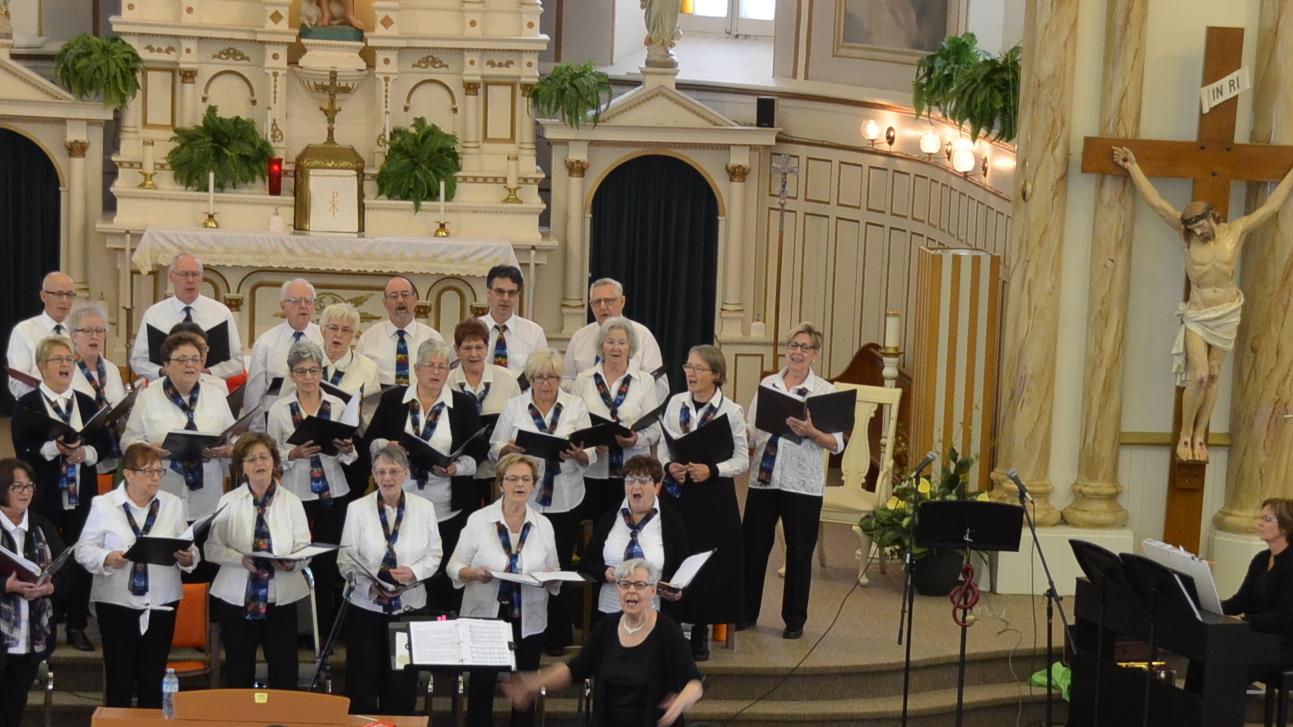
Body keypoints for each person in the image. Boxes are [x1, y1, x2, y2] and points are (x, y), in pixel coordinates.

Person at [1113, 147, 1293, 463]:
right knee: (1197, 375)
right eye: (1193, 229)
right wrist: (1133, 165)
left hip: (1226, 312)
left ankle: (1200, 436)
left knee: (1212, 374)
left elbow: (1270, 208)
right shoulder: (1186, 236)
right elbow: (1156, 202)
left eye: (1201, 227)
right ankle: (1185, 433)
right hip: (1198, 314)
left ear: (1212, 217)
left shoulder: (1235, 232)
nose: (1197, 233)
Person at [503, 559, 705, 727]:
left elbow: (695, 682)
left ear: (653, 591)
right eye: (624, 584)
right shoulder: (607, 627)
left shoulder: (668, 631)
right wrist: (534, 682)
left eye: (639, 585)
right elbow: (575, 669)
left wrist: (680, 702)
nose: (631, 591)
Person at [75, 443, 199, 708]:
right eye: (148, 472)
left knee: (153, 681)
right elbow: (83, 550)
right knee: (119, 681)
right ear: (128, 474)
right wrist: (107, 558)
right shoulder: (104, 504)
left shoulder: (173, 504)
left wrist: (190, 558)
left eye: (159, 471)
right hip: (116, 601)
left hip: (161, 601)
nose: (155, 478)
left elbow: (188, 546)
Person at [741, 323, 844, 640]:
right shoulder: (769, 384)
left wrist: (811, 433)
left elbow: (836, 443)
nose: (797, 352)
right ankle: (745, 612)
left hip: (803, 484)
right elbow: (751, 430)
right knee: (753, 548)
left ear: (815, 354)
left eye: (805, 347)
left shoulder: (825, 391)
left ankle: (794, 619)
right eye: (793, 346)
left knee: (799, 552)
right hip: (764, 478)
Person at [363, 339, 480, 612]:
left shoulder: (462, 404)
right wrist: (386, 446)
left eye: (442, 366)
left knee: (442, 576)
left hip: (446, 506)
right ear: (416, 368)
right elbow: (370, 442)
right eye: (430, 366)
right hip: (401, 503)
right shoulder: (394, 400)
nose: (436, 372)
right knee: (404, 569)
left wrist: (456, 468)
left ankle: (441, 629)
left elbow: (478, 453)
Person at [11, 335, 111, 653]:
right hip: (45, 498)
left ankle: (79, 625)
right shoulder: (27, 405)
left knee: (82, 557)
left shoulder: (86, 402)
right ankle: (50, 620)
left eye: (69, 359)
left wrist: (88, 454)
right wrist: (52, 448)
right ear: (42, 367)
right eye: (58, 359)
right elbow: (22, 452)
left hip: (82, 496)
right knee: (46, 560)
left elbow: (106, 443)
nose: (66, 364)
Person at [490, 349, 593, 655]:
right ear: (530, 379)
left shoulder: (575, 405)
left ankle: (555, 635)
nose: (546, 383)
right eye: (540, 377)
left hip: (565, 496)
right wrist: (507, 448)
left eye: (552, 377)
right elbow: (494, 447)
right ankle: (515, 632)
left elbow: (593, 451)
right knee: (518, 561)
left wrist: (580, 454)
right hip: (524, 498)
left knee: (554, 565)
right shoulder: (515, 406)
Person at [448, 454, 560, 727]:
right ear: (500, 484)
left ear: (533, 485)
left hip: (528, 615)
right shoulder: (479, 519)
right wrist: (473, 573)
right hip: (487, 613)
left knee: (525, 688)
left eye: (525, 479)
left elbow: (555, 570)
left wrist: (549, 578)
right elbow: (453, 566)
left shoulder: (543, 525)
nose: (519, 484)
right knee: (482, 686)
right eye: (512, 479)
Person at [656, 344, 748, 661]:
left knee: (708, 564)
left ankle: (700, 632)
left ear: (717, 375)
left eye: (699, 369)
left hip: (712, 497)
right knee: (676, 556)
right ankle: (672, 625)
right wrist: (670, 467)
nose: (691, 374)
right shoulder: (675, 403)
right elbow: (663, 448)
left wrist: (713, 469)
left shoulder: (730, 411)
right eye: (688, 367)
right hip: (678, 491)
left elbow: (742, 460)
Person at [338, 445, 442, 715]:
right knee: (362, 682)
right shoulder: (357, 509)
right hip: (365, 608)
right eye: (381, 471)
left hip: (407, 607)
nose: (387, 478)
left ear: (406, 474)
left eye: (394, 471)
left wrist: (414, 573)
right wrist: (369, 585)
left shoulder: (425, 508)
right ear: (373, 474)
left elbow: (434, 554)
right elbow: (345, 559)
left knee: (402, 683)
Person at [204, 432, 312, 690]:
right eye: (251, 459)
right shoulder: (228, 501)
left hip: (281, 597)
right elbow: (211, 549)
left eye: (264, 457)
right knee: (239, 668)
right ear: (242, 467)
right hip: (237, 596)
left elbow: (305, 549)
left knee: (285, 669)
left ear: (274, 462)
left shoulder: (293, 502)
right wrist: (239, 559)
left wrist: (292, 563)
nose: (258, 463)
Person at [267, 341, 355, 632]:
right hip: (296, 490)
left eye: (314, 371)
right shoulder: (280, 409)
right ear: (292, 374)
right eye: (301, 371)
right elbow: (271, 454)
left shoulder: (337, 405)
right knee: (296, 557)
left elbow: (351, 455)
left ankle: (326, 629)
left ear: (322, 372)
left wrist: (345, 447)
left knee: (328, 561)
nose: (308, 378)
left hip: (333, 489)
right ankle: (298, 628)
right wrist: (291, 454)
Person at [122, 332, 235, 524]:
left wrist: (228, 449)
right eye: (182, 360)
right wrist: (149, 450)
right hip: (163, 494)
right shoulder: (148, 397)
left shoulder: (216, 395)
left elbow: (233, 437)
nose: (190, 365)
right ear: (166, 364)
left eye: (195, 359)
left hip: (207, 499)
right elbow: (127, 441)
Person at [572, 317, 662, 521]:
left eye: (622, 342)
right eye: (610, 341)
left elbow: (655, 429)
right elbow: (573, 423)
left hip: (633, 470)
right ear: (600, 345)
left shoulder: (645, 381)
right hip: (593, 469)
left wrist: (636, 440)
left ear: (630, 347)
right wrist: (587, 447)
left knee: (632, 523)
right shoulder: (583, 379)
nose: (616, 348)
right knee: (596, 527)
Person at [579, 456, 689, 621]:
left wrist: (676, 591)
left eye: (643, 481)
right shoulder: (609, 517)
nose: (635, 487)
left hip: (655, 613)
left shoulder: (672, 521)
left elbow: (684, 569)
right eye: (630, 481)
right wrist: (604, 572)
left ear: (657, 486)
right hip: (611, 610)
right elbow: (586, 564)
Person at [0, 458, 66, 727]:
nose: (25, 492)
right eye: (17, 487)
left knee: (13, 708)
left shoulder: (42, 525)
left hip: (30, 637)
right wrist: (6, 586)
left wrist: (51, 587)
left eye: (29, 486)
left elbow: (66, 568)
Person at [130, 254, 245, 382]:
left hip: (210, 385)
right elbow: (138, 361)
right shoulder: (154, 314)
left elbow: (237, 362)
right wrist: (163, 371)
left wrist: (208, 372)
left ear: (201, 278)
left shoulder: (221, 313)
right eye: (184, 274)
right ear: (172, 277)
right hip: (165, 385)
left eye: (195, 274)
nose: (190, 280)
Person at [446, 318, 520, 508]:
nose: (474, 354)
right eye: (467, 348)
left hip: (496, 470)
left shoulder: (507, 379)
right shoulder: (447, 382)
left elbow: (519, 420)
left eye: (479, 347)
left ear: (487, 348)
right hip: (460, 470)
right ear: (456, 350)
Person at [1221, 498, 1293, 682]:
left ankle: (1221, 710)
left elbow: (1285, 617)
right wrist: (1211, 605)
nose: (1259, 523)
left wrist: (1245, 620)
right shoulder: (1261, 559)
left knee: (1227, 663)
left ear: (1285, 527)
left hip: (1284, 644)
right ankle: (1194, 709)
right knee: (1206, 652)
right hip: (1259, 638)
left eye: (1267, 519)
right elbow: (1241, 600)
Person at [562, 278, 666, 398]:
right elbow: (566, 379)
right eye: (597, 302)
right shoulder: (579, 337)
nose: (602, 307)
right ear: (591, 305)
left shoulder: (642, 336)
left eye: (609, 301)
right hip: (586, 412)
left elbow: (660, 385)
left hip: (632, 413)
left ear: (622, 301)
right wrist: (583, 391)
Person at [244, 279, 324, 419]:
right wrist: (258, 432)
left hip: (316, 417)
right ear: (283, 306)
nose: (303, 306)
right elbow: (254, 395)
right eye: (296, 301)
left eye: (308, 301)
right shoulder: (266, 343)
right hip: (275, 418)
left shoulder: (324, 339)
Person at [67, 303, 127, 476]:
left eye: (100, 331)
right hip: (80, 453)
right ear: (74, 336)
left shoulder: (112, 369)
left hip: (111, 451)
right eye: (87, 331)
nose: (95, 336)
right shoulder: (66, 369)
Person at [355, 276, 444, 387]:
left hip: (422, 399)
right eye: (394, 296)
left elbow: (442, 376)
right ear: (385, 303)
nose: (400, 300)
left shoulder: (433, 338)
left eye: (405, 295)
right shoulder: (368, 338)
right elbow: (357, 377)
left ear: (415, 299)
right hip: (380, 400)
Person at [6, 271, 76, 400]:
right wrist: (47, 397)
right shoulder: (24, 331)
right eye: (59, 294)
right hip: (38, 408)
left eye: (70, 294)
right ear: (43, 296)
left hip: (74, 407)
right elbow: (16, 382)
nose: (65, 300)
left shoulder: (77, 332)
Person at [478, 265, 548, 375]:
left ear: (518, 296)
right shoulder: (471, 329)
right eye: (499, 292)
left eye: (511, 293)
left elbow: (542, 374)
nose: (505, 298)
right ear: (488, 293)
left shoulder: (534, 333)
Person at [319, 303, 380, 399]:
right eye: (333, 328)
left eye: (345, 330)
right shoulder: (304, 362)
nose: (339, 334)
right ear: (323, 330)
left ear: (352, 335)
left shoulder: (369, 369)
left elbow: (370, 411)